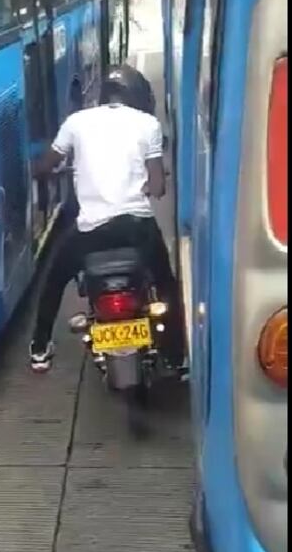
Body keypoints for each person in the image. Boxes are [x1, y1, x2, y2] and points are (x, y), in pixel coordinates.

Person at [28, 65, 185, 373]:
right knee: (166, 283)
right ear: (139, 97)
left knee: (54, 280)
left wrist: (39, 170)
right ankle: (175, 356)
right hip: (137, 228)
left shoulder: (76, 122)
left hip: (91, 232)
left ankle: (40, 348)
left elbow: (49, 162)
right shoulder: (148, 124)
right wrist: (148, 183)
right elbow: (158, 187)